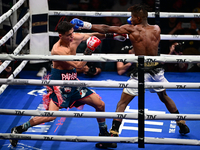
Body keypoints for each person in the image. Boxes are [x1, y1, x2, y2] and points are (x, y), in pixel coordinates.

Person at [70, 3, 190, 148]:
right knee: (164, 96)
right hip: (157, 70)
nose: (130, 19)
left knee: (122, 103)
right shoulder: (156, 29)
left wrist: (85, 24)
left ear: (138, 17)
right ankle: (181, 124)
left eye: (133, 17)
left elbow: (106, 28)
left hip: (141, 72)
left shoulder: (131, 29)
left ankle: (113, 135)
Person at [9, 21, 126, 148]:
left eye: (72, 33)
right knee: (50, 117)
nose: (72, 37)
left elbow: (93, 35)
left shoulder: (74, 37)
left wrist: (112, 36)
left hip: (73, 81)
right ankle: (19, 129)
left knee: (100, 104)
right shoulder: (57, 50)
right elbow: (79, 65)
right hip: (59, 85)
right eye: (69, 35)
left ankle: (103, 135)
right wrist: (89, 50)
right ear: (61, 36)